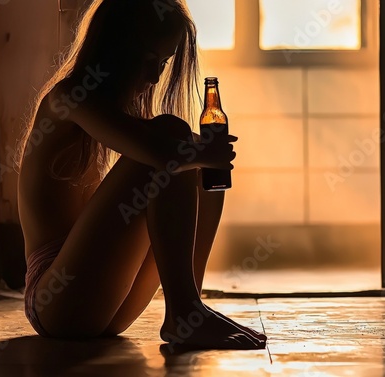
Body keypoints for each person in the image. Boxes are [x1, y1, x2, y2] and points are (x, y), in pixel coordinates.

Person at [15, 0, 266, 350]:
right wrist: (199, 149)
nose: (155, 77)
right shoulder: (69, 97)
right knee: (173, 141)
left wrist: (207, 156)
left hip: (105, 305)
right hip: (55, 301)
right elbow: (161, 151)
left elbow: (171, 153)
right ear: (116, 50)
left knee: (199, 168)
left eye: (163, 64)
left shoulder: (117, 110)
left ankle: (190, 309)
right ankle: (185, 312)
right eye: (148, 60)